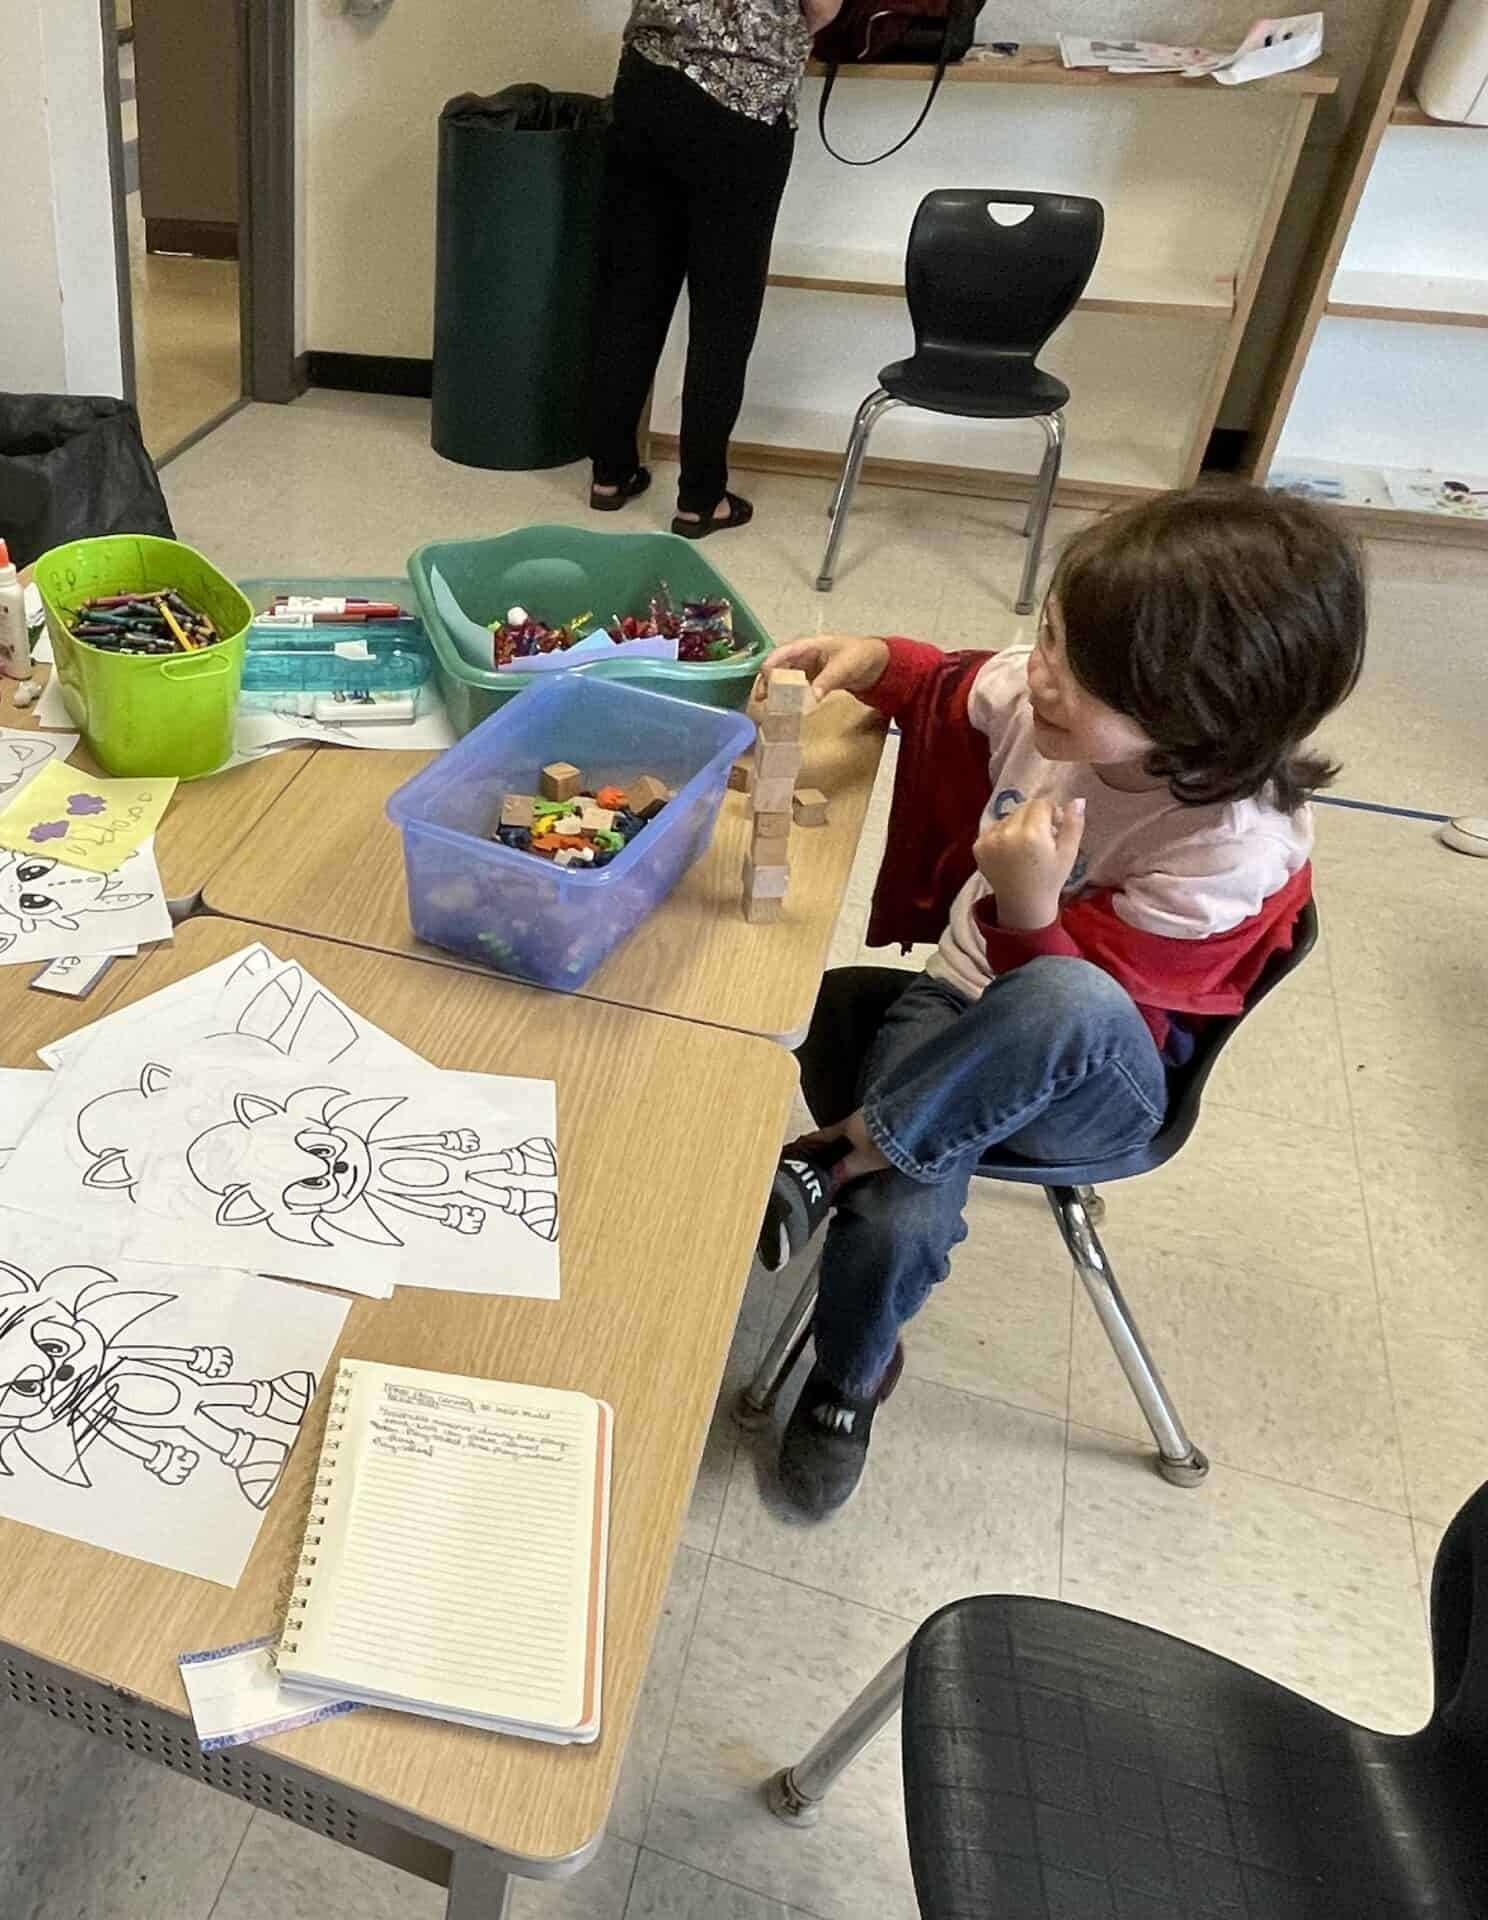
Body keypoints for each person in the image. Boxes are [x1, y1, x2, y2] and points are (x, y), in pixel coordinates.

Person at [751, 488, 1366, 1518]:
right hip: (957, 1009)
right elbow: (953, 686)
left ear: (1200, 717)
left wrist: (1031, 907)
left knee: (1064, 996)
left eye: (1081, 671)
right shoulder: (1049, 703)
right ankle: (850, 1380)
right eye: (1048, 633)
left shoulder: (1233, 846)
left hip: (1099, 1071)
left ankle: (835, 1154)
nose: (1041, 670)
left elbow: (1086, 1013)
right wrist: (876, 658)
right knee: (899, 1214)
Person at [585, 0, 841, 537]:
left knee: (631, 291)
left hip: (647, 80)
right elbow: (821, 6)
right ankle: (700, 498)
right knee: (724, 311)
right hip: (741, 98)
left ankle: (610, 472)